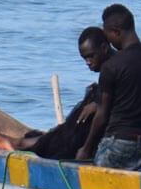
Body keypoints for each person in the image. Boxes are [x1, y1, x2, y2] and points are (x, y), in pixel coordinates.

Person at [82, 5, 141, 170]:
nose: (108, 41)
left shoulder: (111, 66)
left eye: (108, 35)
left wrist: (86, 149)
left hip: (117, 144)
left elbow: (101, 116)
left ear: (116, 32)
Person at [16, 27, 111, 160]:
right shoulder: (109, 69)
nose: (88, 62)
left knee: (70, 137)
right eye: (85, 58)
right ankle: (28, 142)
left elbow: (106, 111)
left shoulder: (111, 69)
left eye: (91, 56)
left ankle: (24, 143)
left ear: (104, 48)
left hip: (112, 136)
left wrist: (86, 149)